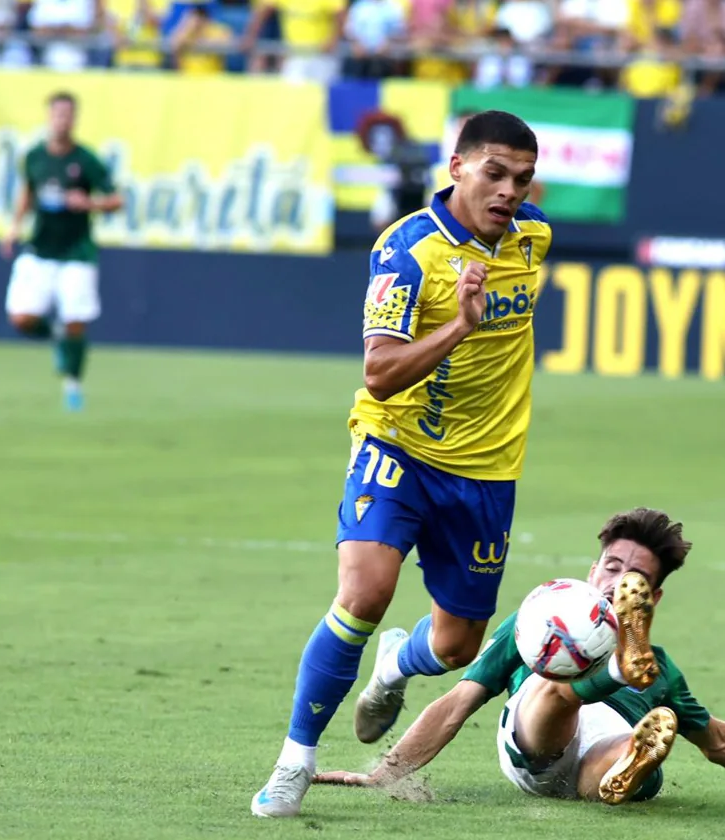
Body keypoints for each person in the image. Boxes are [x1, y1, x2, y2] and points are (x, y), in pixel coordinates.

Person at [251, 110, 553, 818]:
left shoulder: (534, 237)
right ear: (456, 168)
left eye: (522, 178)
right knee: (363, 593)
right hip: (397, 446)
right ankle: (295, 762)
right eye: (494, 173)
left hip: (485, 473)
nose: (510, 191)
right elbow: (380, 372)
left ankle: (396, 663)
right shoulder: (408, 251)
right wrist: (459, 328)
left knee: (456, 645)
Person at [311, 508, 725, 804]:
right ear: (592, 572)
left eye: (636, 580)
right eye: (612, 568)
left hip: (602, 760)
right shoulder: (536, 624)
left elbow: (718, 742)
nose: (619, 582)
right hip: (537, 747)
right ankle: (609, 669)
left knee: (630, 741)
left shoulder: (660, 671)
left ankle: (628, 767)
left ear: (652, 599)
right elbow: (457, 703)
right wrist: (388, 773)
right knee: (554, 689)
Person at [1, 92, 124, 412]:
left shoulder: (85, 160)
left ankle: (73, 384)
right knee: (21, 319)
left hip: (77, 252)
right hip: (41, 248)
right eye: (57, 114)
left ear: (75, 119)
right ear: (49, 117)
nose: (62, 120)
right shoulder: (34, 157)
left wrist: (90, 203)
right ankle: (55, 335)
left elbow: (116, 199)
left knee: (76, 321)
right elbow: (27, 193)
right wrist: (14, 227)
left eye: (68, 114)